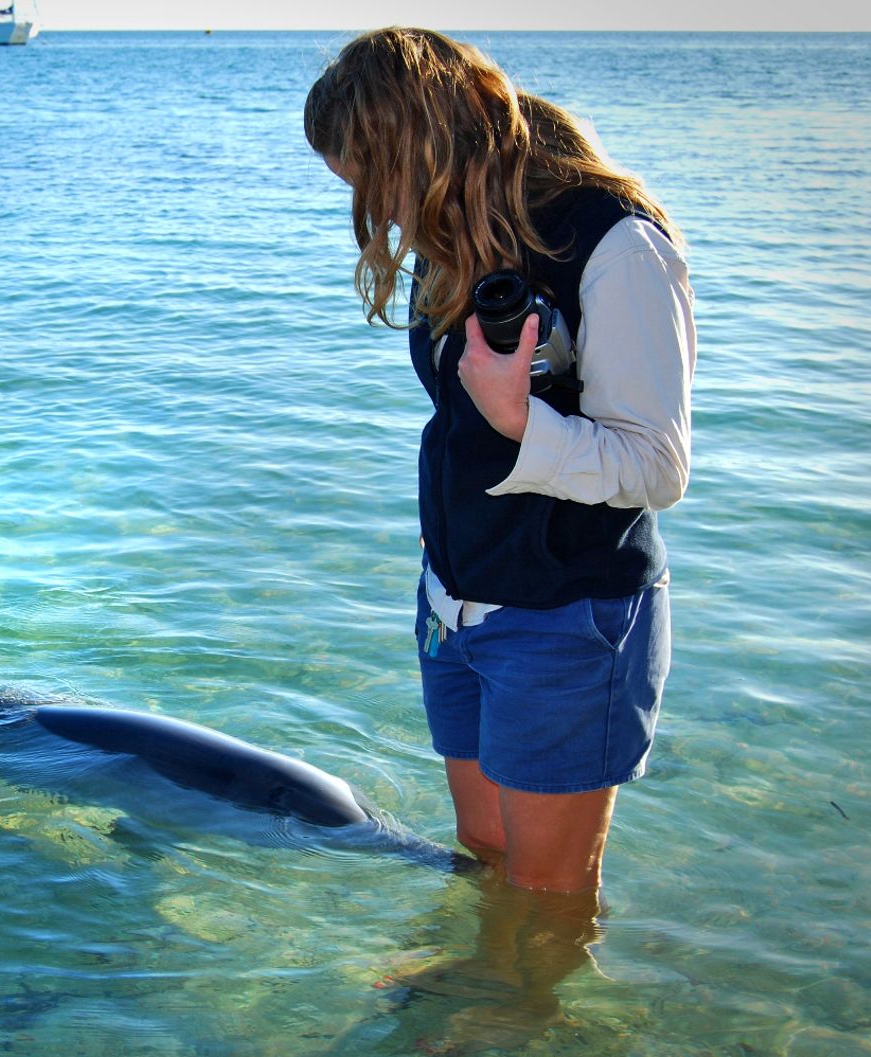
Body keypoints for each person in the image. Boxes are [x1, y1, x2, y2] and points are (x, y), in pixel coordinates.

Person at [304, 28, 694, 894]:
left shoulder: (617, 243)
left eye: (381, 182)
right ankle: (487, 997)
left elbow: (658, 467)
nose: (383, 212)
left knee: (550, 896)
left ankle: (532, 1014)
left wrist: (522, 420)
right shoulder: (458, 229)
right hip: (455, 605)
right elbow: (459, 423)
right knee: (484, 851)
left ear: (434, 144)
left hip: (566, 618)